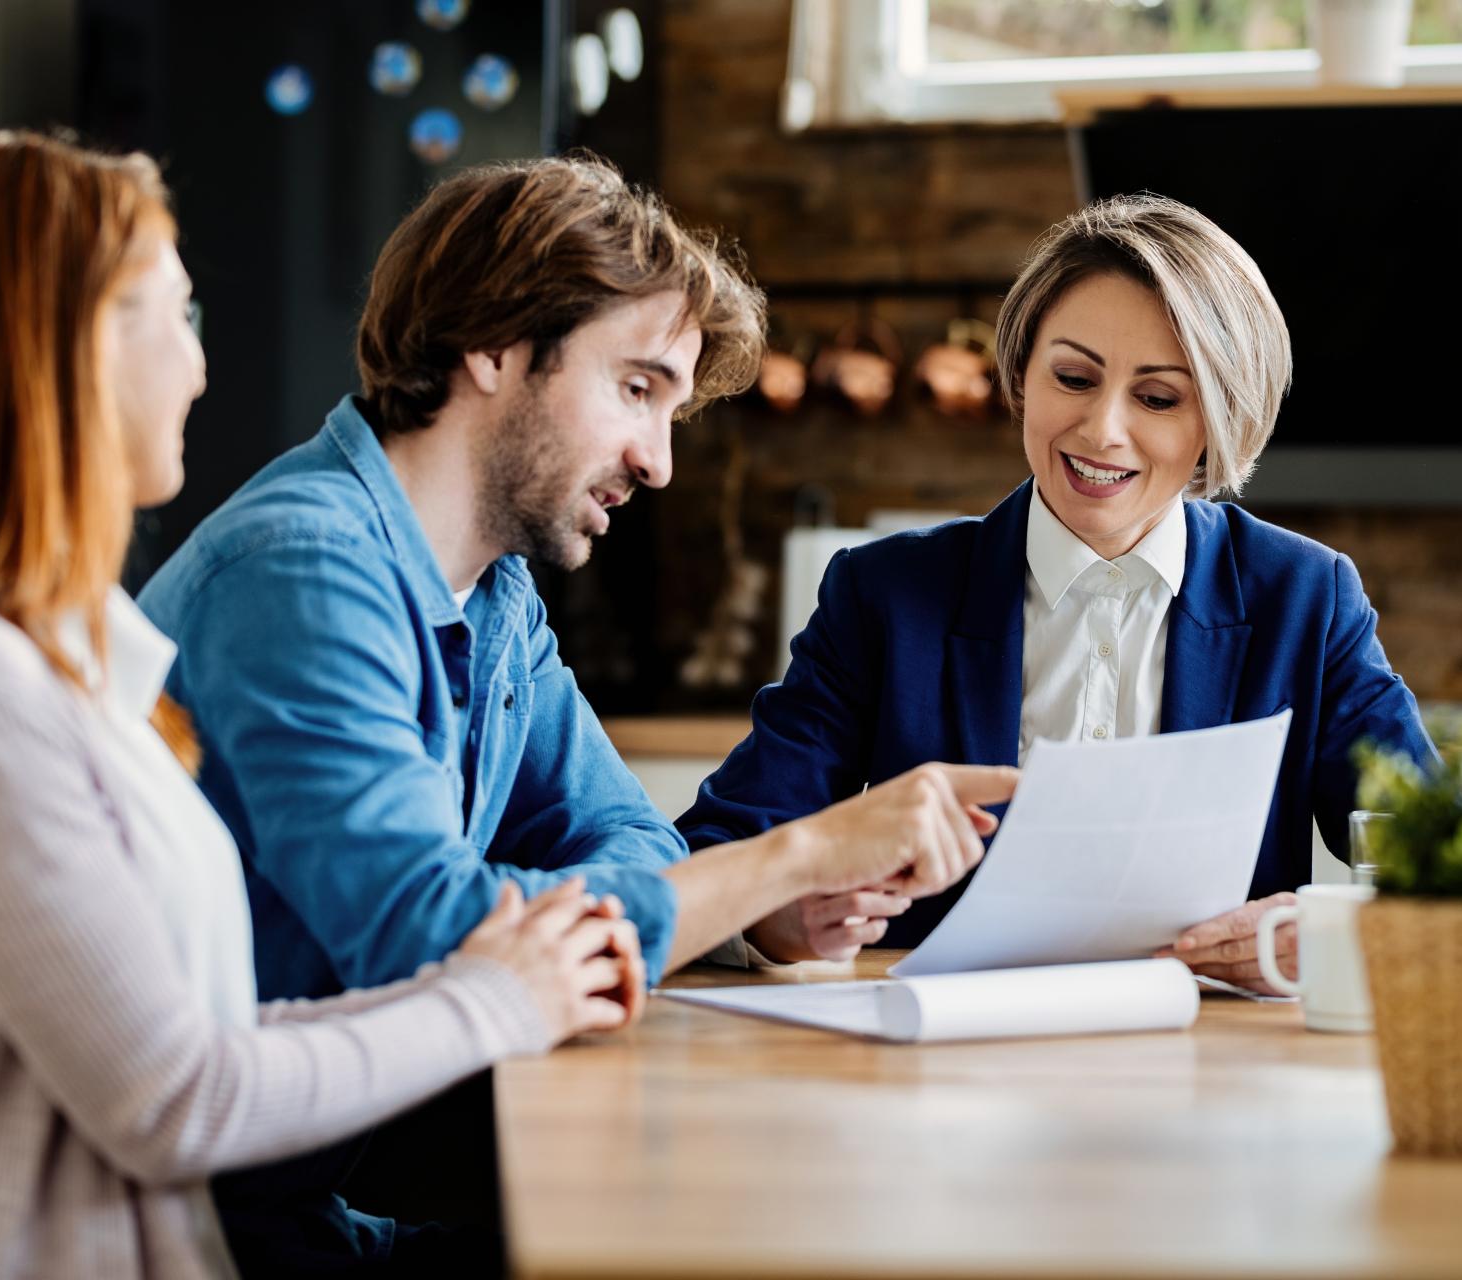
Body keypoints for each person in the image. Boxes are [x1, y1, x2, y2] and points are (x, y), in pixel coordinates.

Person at [0, 132, 648, 1280]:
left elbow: (204, 1048)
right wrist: (498, 998)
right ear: (58, 351)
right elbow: (175, 1098)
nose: (201, 368)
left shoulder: (51, 669)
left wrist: (509, 984)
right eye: (172, 319)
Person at [137, 154, 1019, 1003]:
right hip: (287, 1152)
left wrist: (750, 906)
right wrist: (792, 859)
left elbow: (628, 839)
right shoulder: (305, 571)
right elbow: (426, 932)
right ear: (492, 344)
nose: (659, 462)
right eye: (638, 389)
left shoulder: (495, 595)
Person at [679, 193, 1435, 992]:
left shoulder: (1307, 601)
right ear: (1021, 376)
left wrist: (1314, 936)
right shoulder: (886, 595)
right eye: (1073, 377)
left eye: (1158, 398)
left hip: (1214, 1069)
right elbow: (716, 851)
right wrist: (779, 918)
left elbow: (1449, 863)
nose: (1102, 429)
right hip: (949, 1069)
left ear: (1218, 419)